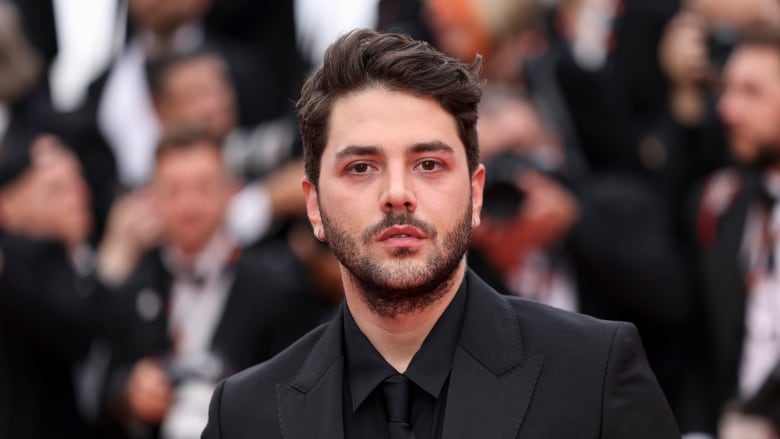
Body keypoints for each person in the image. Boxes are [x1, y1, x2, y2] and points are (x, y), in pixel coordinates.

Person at [201, 29, 679, 438]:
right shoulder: (243, 416)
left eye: (428, 165)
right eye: (361, 167)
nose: (397, 193)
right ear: (314, 205)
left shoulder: (593, 375)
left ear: (475, 194)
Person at [95, 127, 323, 439]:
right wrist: (128, 392)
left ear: (231, 191)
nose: (189, 205)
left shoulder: (278, 289)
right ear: (151, 198)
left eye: (203, 188)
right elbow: (98, 390)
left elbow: (305, 398)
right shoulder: (131, 289)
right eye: (173, 190)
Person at [683, 28, 780, 438]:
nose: (727, 109)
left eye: (751, 92)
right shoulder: (719, 203)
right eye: (726, 90)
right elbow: (699, 342)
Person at [0, 134, 96, 438]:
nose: (77, 197)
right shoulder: (31, 258)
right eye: (56, 189)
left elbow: (78, 334)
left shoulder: (102, 259)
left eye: (78, 182)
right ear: (8, 206)